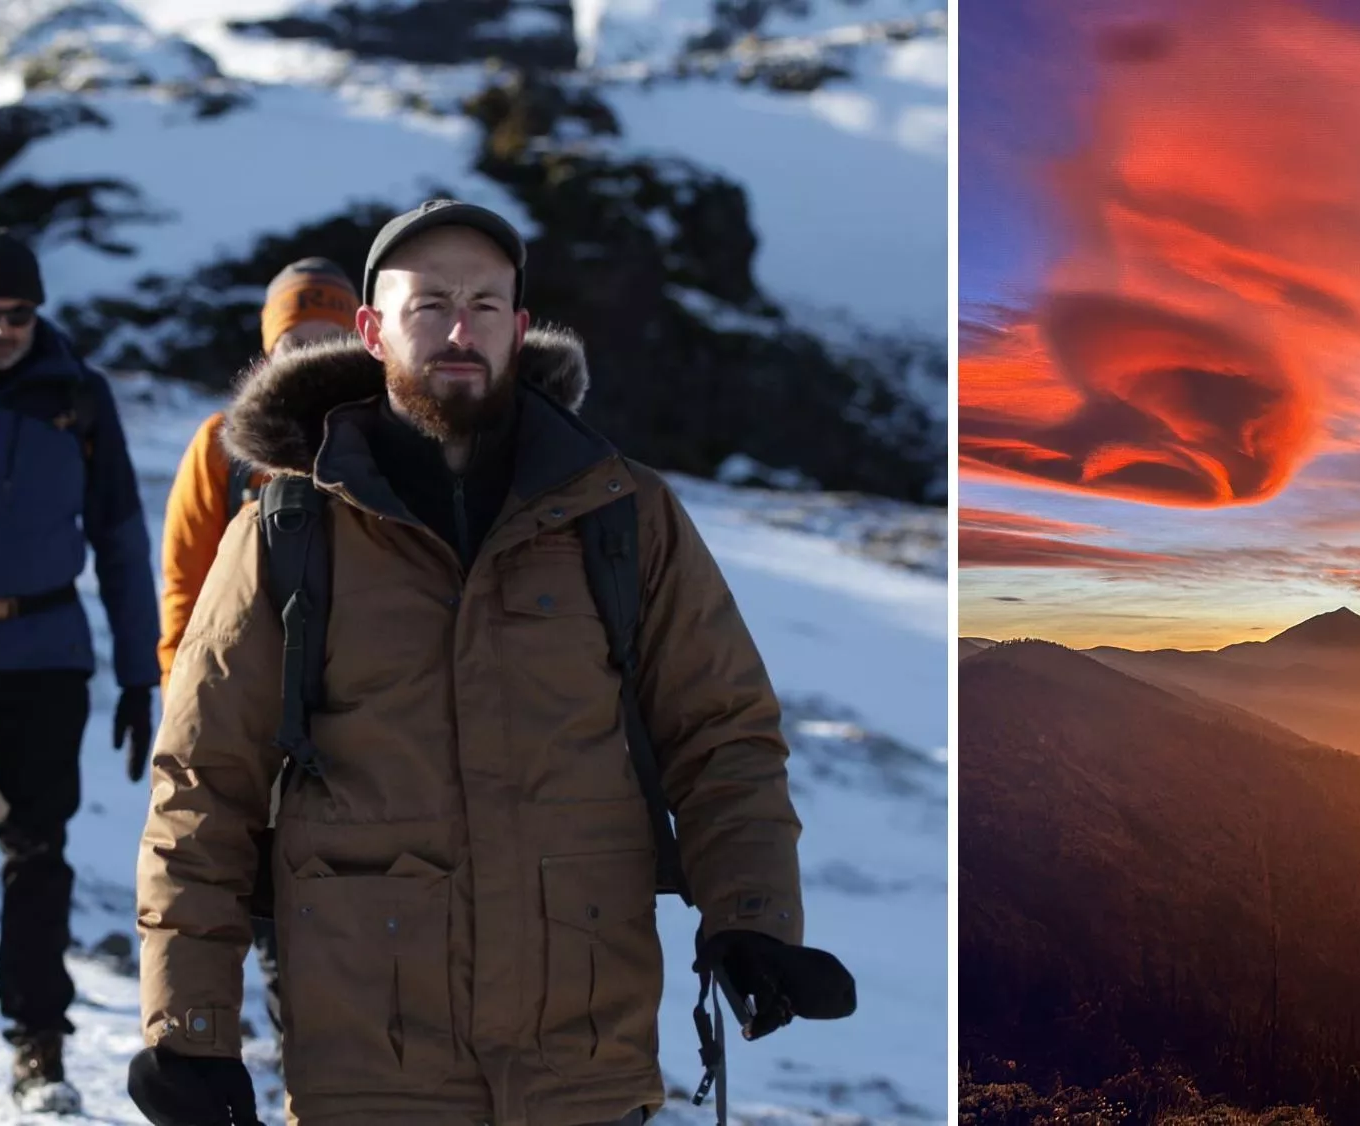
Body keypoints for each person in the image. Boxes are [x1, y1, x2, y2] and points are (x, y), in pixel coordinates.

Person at [128, 200, 854, 1126]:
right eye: (429, 305)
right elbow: (203, 783)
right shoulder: (286, 533)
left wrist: (751, 916)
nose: (459, 330)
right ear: (371, 330)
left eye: (483, 304)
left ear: (519, 325)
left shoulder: (622, 515)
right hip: (371, 1075)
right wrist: (190, 1027)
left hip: (583, 1069)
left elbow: (724, 733)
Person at [0, 228, 159, 1114]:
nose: (3, 330)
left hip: (44, 656)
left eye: (19, 314)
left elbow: (120, 537)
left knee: (38, 857)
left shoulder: (78, 395)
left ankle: (39, 1047)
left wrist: (139, 674)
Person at [156, 256, 360, 1049]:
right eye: (295, 341)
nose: (310, 357)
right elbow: (184, 587)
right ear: (269, 348)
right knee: (276, 917)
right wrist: (188, 705)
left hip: (365, 718)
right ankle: (306, 1065)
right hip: (257, 724)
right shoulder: (223, 447)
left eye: (328, 339)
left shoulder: (388, 441)